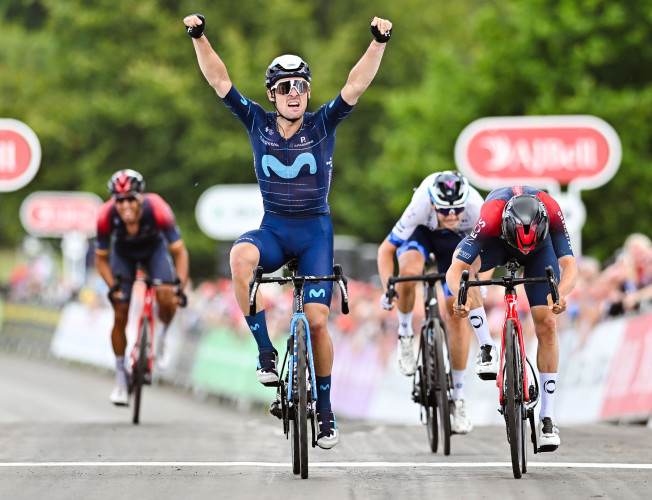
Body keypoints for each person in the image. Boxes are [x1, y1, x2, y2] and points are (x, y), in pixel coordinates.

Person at [183, 13, 392, 449]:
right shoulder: (256, 121)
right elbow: (219, 79)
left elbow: (355, 85)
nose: (294, 93)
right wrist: (200, 36)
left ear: (308, 91)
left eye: (301, 86)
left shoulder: (321, 125)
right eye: (285, 87)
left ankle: (328, 412)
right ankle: (264, 352)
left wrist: (378, 42)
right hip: (274, 231)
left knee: (317, 322)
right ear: (272, 94)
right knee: (240, 258)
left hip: (315, 232)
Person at [446, 186, 578, 452]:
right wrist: (459, 297)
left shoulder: (551, 210)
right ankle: (486, 347)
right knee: (467, 275)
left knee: (547, 323)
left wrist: (560, 295)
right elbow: (456, 267)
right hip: (498, 245)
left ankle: (548, 418)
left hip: (542, 249)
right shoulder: (492, 214)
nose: (523, 250)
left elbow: (570, 266)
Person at [376, 171, 495, 434]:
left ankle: (459, 397)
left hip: (456, 245)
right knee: (408, 275)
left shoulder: (476, 207)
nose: (452, 215)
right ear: (432, 203)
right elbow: (385, 250)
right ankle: (406, 334)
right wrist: (388, 288)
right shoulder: (420, 204)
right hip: (421, 235)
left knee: (456, 312)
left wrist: (480, 287)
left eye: (457, 209)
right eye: (444, 210)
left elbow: (489, 256)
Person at [95, 169, 189, 406]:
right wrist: (112, 286)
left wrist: (180, 286)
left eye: (131, 199)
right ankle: (119, 377)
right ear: (113, 201)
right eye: (120, 200)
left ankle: (163, 337)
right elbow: (100, 259)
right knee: (120, 310)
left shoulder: (157, 208)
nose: (125, 205)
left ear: (141, 197)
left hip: (154, 251)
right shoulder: (105, 215)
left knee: (167, 296)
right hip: (123, 255)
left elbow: (180, 252)